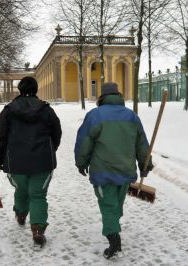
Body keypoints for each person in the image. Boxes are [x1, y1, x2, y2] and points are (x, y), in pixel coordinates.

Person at [74, 82, 153, 259]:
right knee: (116, 204)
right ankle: (113, 228)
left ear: (102, 97)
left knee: (108, 206)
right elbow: (141, 143)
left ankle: (113, 240)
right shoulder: (131, 116)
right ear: (118, 95)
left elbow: (84, 142)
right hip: (125, 171)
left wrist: (81, 162)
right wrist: (145, 163)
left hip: (103, 172)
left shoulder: (95, 115)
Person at [0, 76, 62, 248]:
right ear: (36, 89)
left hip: (15, 162)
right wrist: (50, 149)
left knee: (21, 189)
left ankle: (21, 213)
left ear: (20, 90)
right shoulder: (46, 110)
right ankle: (38, 230)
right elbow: (56, 133)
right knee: (38, 195)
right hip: (42, 162)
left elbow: (0, 137)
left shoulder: (8, 111)